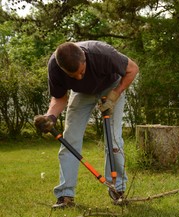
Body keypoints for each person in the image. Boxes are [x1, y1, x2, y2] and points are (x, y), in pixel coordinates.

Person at [34, 41, 139, 208]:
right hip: (81, 93)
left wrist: (114, 96)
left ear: (85, 60)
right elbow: (59, 99)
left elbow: (132, 69)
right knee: (70, 140)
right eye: (73, 75)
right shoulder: (55, 67)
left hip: (111, 86)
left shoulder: (102, 54)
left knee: (114, 139)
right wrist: (50, 118)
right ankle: (65, 196)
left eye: (81, 72)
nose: (78, 77)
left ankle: (117, 190)